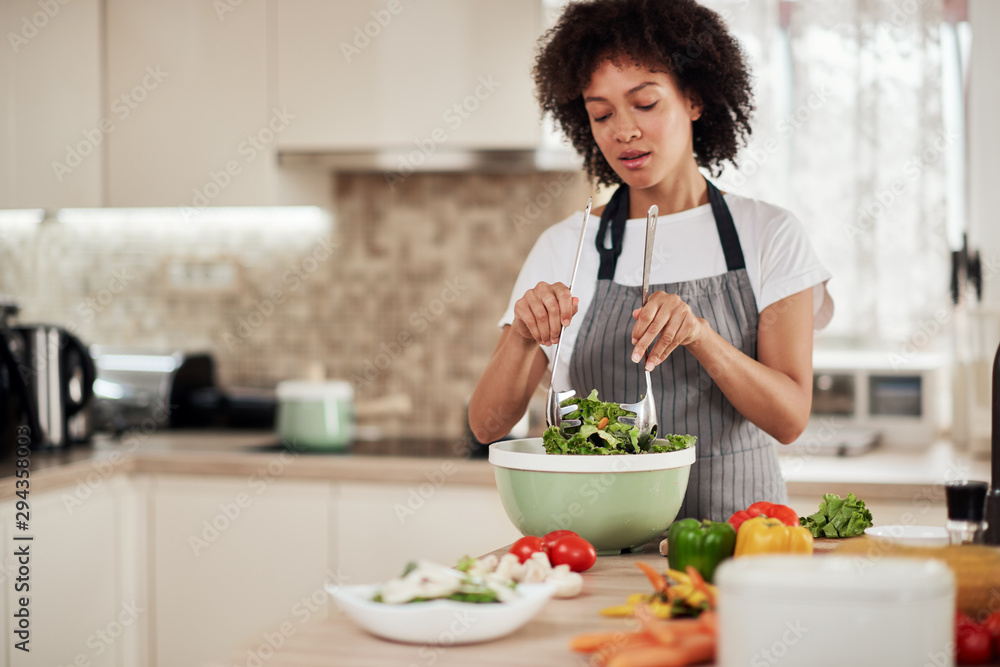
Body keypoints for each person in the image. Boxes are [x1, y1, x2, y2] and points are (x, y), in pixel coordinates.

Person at [468, 0, 833, 523]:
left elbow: (790, 418)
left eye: (644, 103)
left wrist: (701, 337)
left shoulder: (768, 233)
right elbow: (487, 425)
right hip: (600, 545)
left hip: (738, 544)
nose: (623, 131)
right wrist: (524, 334)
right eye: (602, 113)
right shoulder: (566, 244)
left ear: (695, 99)